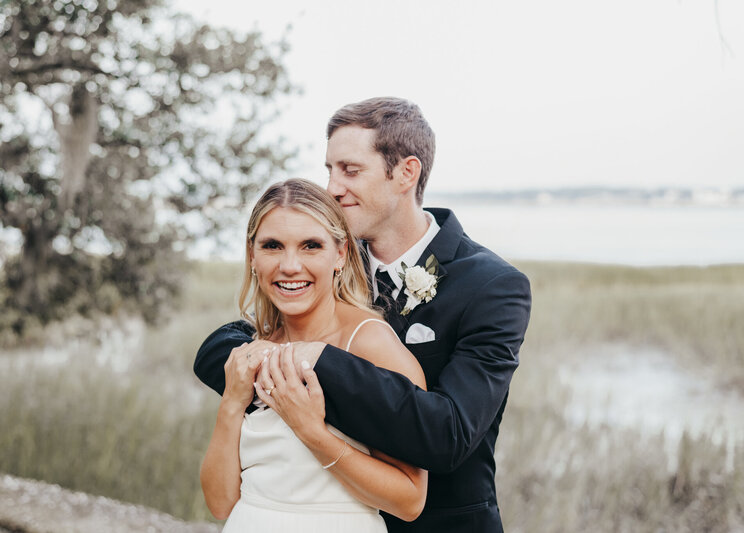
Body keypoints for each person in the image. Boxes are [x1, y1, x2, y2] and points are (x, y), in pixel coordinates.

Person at [195, 97, 532, 533]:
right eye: (329, 170)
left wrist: (317, 363)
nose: (333, 187)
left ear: (406, 173)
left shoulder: (492, 286)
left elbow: (448, 434)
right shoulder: (324, 260)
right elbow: (236, 342)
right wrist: (278, 363)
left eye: (350, 171)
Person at [199, 178, 428, 532]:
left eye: (310, 246)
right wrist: (232, 401)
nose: (290, 266)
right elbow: (220, 503)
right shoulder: (256, 346)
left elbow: (410, 501)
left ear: (340, 254)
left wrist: (311, 430)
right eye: (272, 246)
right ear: (252, 256)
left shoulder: (370, 344)